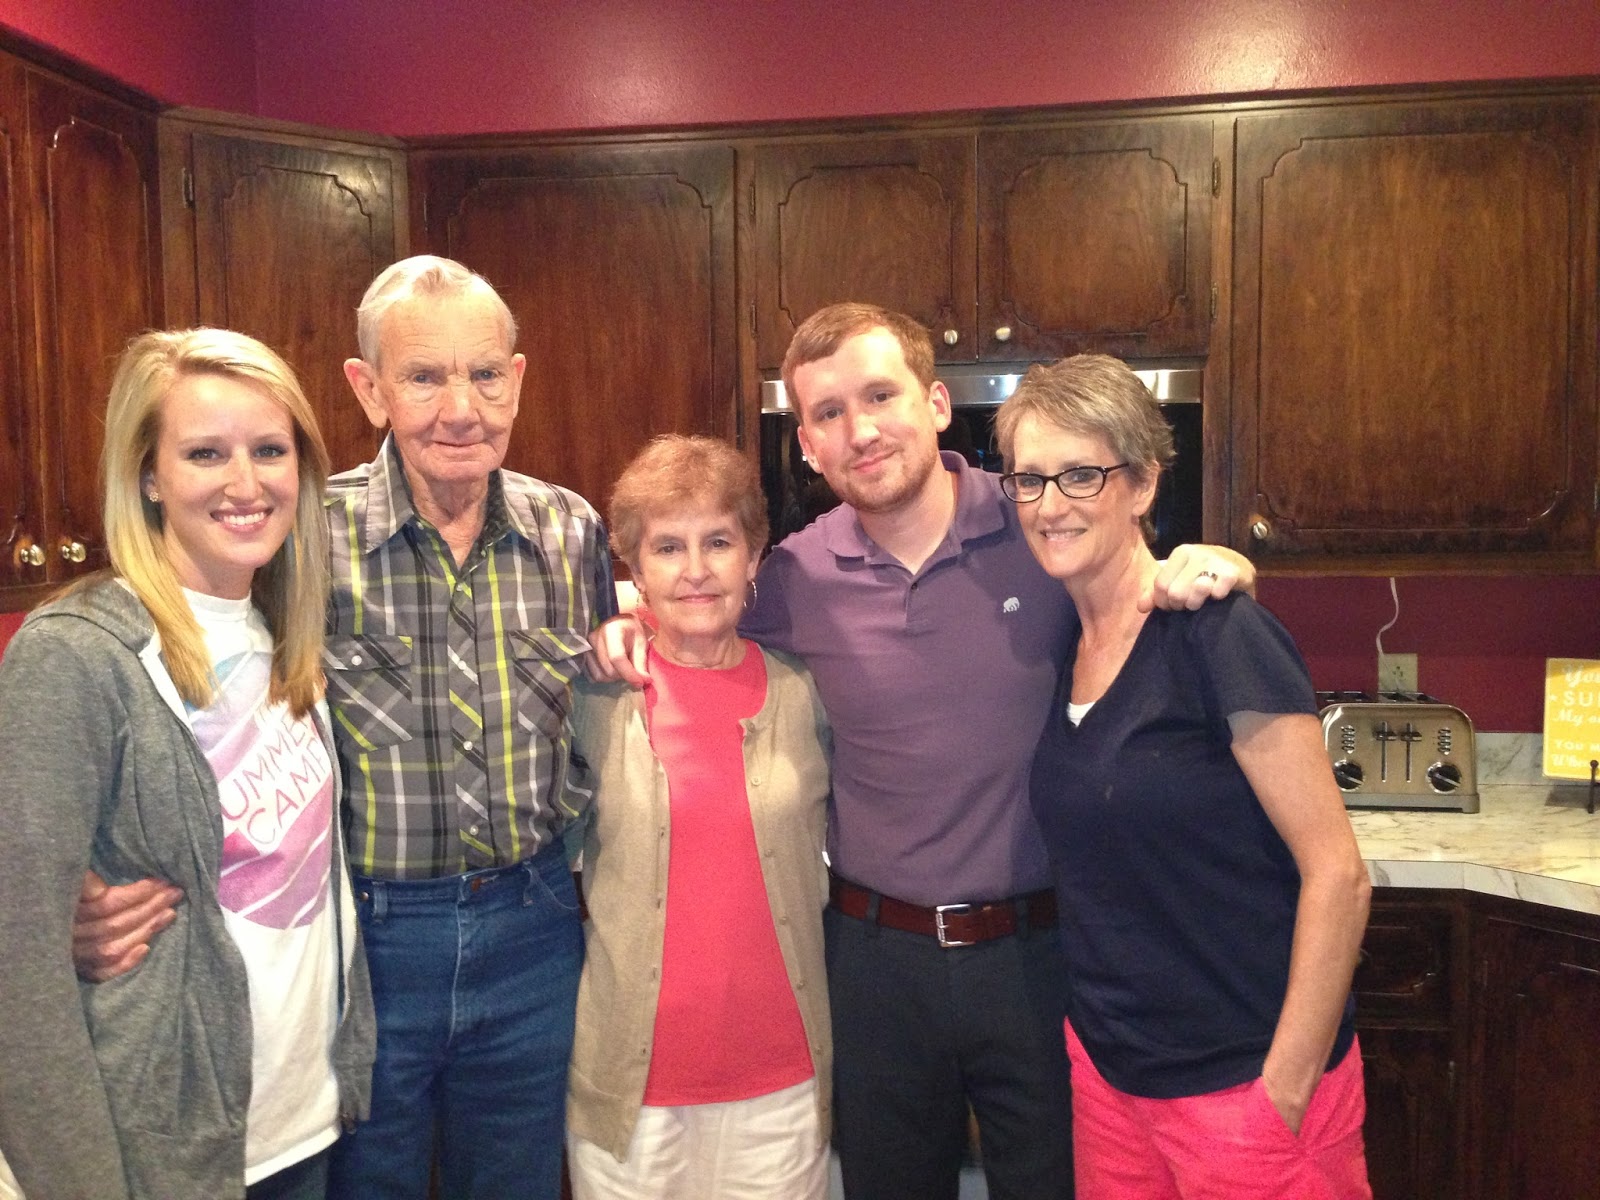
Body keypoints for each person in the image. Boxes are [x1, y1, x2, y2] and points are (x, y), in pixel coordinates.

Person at [593, 303, 1255, 1200]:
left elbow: (1137, 578)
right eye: (828, 414)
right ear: (808, 447)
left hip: (1040, 953)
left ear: (936, 404)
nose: (861, 431)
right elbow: (693, 595)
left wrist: (1208, 563)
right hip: (875, 964)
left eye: (880, 396)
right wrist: (625, 618)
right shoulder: (794, 575)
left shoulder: (1038, 526)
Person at [70, 256, 618, 1200]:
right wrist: (73, 884)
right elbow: (155, 683)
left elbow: (614, 702)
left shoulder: (570, 531)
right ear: (369, 390)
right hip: (366, 941)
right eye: (424, 376)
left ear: (519, 380)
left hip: (535, 928)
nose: (461, 409)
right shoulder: (292, 534)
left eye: (486, 374)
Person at [0, 328, 375, 1200]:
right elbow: (18, 968)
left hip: (303, 1123)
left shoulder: (284, 631)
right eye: (206, 453)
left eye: (270, 450)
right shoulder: (76, 658)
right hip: (164, 1151)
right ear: (148, 475)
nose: (246, 484)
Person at [996, 354, 1372, 1198]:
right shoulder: (1065, 647)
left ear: (1141, 484)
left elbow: (1339, 874)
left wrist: (1284, 1088)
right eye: (1029, 480)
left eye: (1081, 475)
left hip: (1243, 1085)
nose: (1050, 505)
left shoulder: (1217, 633)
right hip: (1111, 1082)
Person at [565, 435, 833, 1199]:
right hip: (631, 1094)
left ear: (754, 556)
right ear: (633, 567)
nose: (695, 570)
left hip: (779, 1086)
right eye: (667, 547)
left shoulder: (807, 693)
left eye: (718, 541)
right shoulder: (593, 696)